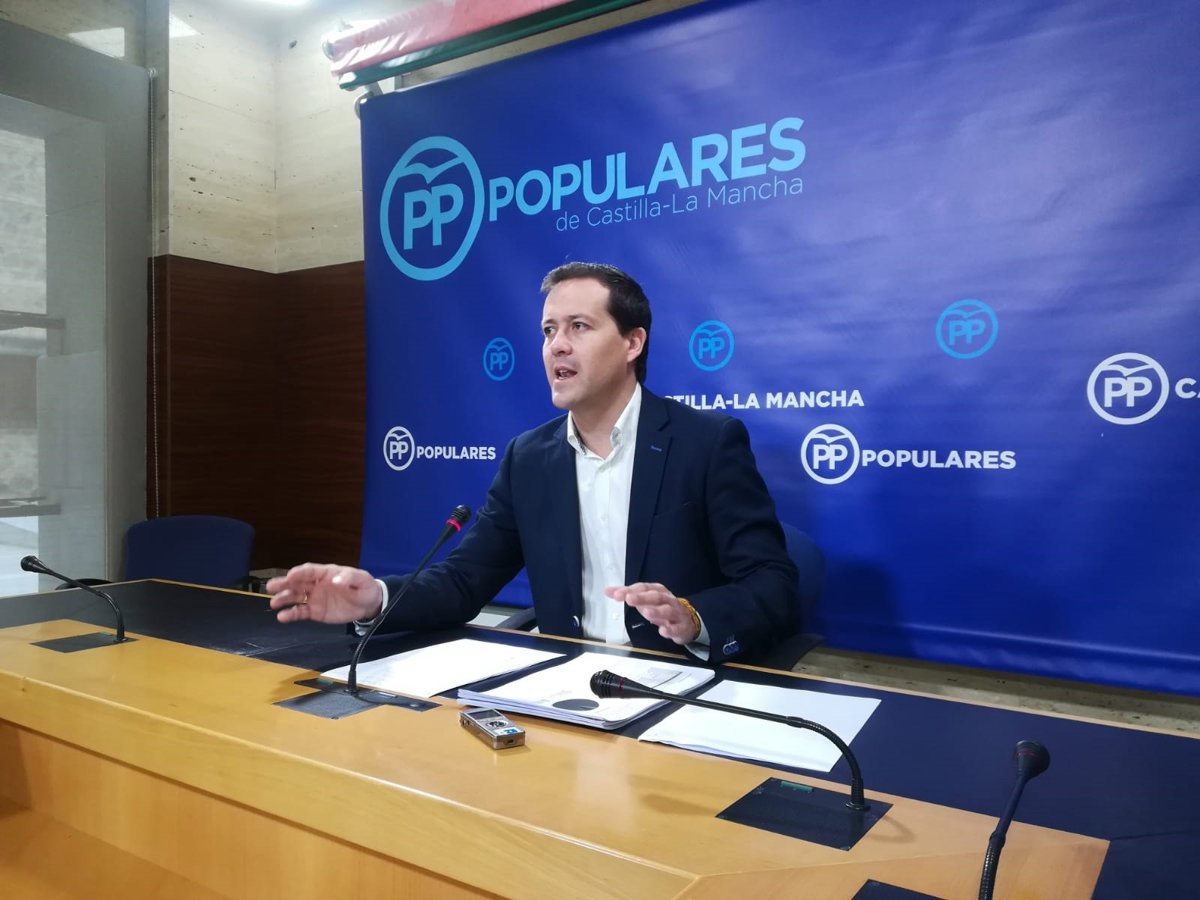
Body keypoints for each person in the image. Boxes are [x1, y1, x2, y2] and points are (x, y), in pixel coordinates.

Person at [268, 262, 798, 664]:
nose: (556, 346)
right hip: (564, 686)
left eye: (579, 327)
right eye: (548, 331)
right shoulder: (529, 457)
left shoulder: (705, 442)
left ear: (632, 342)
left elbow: (771, 582)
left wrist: (694, 617)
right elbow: (464, 580)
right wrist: (376, 599)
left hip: (676, 680)